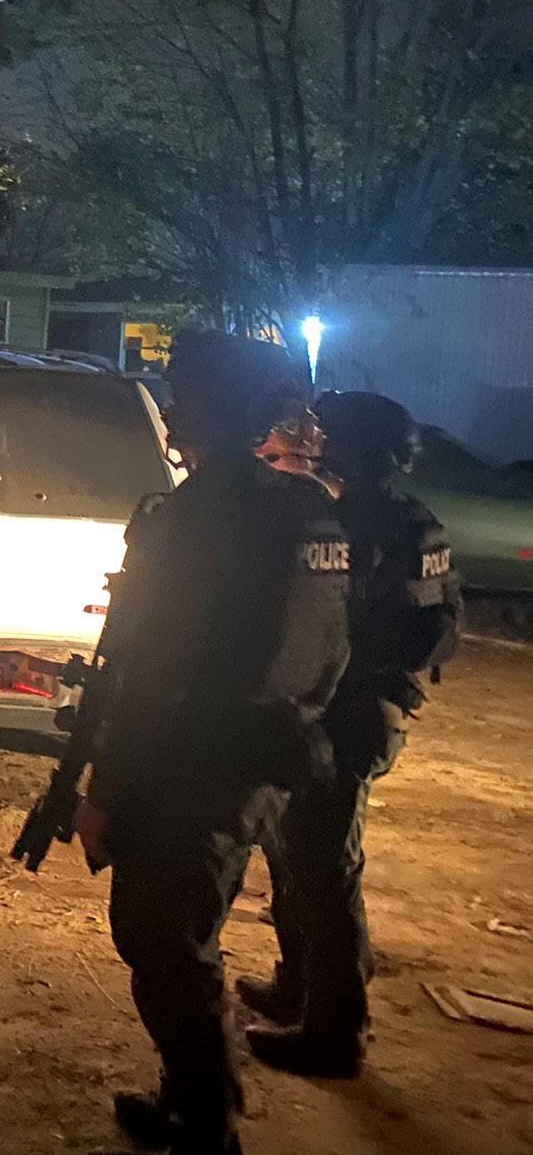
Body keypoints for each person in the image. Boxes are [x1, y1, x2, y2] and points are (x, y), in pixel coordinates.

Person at [77, 333, 351, 1155]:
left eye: (183, 395)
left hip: (189, 768)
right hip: (267, 760)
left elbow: (152, 671)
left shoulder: (197, 518)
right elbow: (332, 648)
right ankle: (190, 1101)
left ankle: (207, 1125)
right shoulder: (308, 509)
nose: (171, 409)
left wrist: (103, 791)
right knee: (191, 932)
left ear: (217, 409)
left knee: (159, 942)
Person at [242, 390, 462, 1079]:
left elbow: (335, 625)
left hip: (349, 712)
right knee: (296, 852)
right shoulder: (412, 522)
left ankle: (336, 1031)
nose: (314, 445)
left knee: (323, 865)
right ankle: (299, 988)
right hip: (365, 706)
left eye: (326, 436)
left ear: (357, 449)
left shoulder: (356, 526)